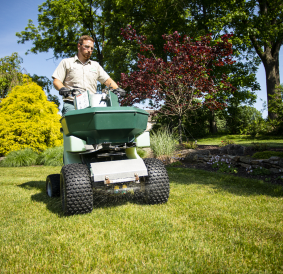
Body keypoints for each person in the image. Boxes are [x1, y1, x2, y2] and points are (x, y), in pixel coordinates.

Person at [52, 35, 124, 115]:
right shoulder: (66, 62)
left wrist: (117, 89)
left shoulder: (95, 65)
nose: (89, 50)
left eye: (92, 48)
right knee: (72, 125)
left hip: (92, 105)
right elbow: (57, 81)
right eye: (87, 47)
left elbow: (108, 81)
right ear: (79, 46)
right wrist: (62, 88)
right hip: (72, 103)